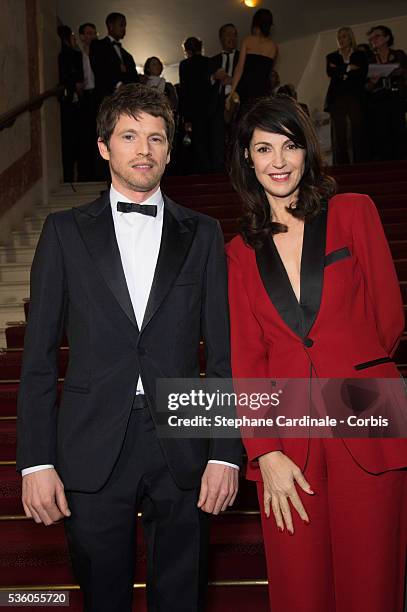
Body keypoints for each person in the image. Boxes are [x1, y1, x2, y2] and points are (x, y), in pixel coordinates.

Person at [17, 84, 241, 612]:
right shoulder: (63, 232)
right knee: (102, 597)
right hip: (90, 444)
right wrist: (35, 463)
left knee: (183, 597)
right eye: (129, 136)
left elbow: (226, 356)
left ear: (169, 149)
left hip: (184, 443)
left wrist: (226, 453)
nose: (144, 149)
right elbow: (39, 361)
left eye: (156, 138)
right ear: (103, 146)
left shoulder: (204, 233)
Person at [227, 95, 407, 612]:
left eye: (290, 145)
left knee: (372, 586)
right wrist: (265, 450)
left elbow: (389, 319)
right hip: (288, 442)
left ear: (308, 151)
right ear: (247, 157)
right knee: (299, 589)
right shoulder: (238, 253)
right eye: (264, 148)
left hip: (369, 412)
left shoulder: (354, 213)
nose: (279, 161)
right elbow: (248, 358)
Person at [325, 27, 368, 164]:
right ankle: (343, 165)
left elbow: (361, 75)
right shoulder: (331, 56)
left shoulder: (360, 55)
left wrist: (340, 71)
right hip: (337, 98)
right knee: (340, 132)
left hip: (355, 96)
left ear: (350, 38)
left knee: (357, 129)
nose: (341, 40)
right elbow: (331, 73)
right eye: (339, 37)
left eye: (344, 36)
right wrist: (349, 68)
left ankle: (360, 163)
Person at [366, 25, 407, 160]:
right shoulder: (369, 59)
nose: (373, 39)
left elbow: (404, 72)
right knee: (382, 133)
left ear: (387, 38)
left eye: (377, 36)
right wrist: (372, 81)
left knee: (399, 131)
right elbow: (366, 88)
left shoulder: (398, 54)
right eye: (371, 38)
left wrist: (397, 71)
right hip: (378, 99)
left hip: (396, 96)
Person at [226, 9, 278, 112]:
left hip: (246, 88)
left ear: (255, 23)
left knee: (243, 121)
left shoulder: (248, 40)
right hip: (263, 91)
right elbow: (268, 72)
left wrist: (231, 93)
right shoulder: (274, 46)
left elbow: (239, 69)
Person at [89, 12, 139, 108]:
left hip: (126, 102)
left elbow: (133, 77)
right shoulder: (98, 45)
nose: (124, 29)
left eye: (125, 26)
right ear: (110, 26)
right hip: (105, 98)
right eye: (121, 25)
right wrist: (118, 85)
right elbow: (99, 68)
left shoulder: (127, 55)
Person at [208, 23, 240, 171]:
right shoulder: (212, 61)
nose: (232, 38)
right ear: (221, 38)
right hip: (217, 106)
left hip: (238, 104)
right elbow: (203, 86)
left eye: (234, 34)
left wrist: (233, 81)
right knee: (217, 143)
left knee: (238, 140)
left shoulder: (243, 57)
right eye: (228, 34)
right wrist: (214, 77)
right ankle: (218, 175)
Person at [179, 37, 212, 173]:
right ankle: (210, 171)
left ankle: (200, 171)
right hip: (209, 107)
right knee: (209, 139)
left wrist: (185, 116)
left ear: (186, 50)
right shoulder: (208, 62)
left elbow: (184, 90)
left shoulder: (185, 65)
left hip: (193, 109)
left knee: (196, 142)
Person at [57, 25, 84, 182]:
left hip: (71, 103)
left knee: (71, 144)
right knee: (71, 143)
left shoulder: (69, 54)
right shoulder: (69, 54)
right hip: (69, 103)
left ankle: (70, 177)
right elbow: (72, 76)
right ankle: (70, 177)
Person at [78, 22, 98, 181]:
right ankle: (85, 174)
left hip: (97, 96)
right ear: (82, 36)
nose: (91, 36)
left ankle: (96, 172)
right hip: (83, 96)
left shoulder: (100, 54)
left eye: (93, 33)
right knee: (84, 135)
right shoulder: (77, 54)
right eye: (88, 33)